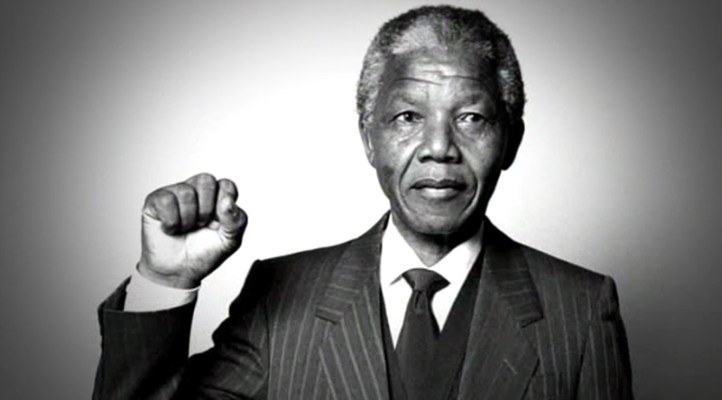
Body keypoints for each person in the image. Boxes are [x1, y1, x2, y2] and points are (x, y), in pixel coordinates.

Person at [94, 5, 633, 400]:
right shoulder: (279, 296)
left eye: (471, 117)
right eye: (408, 117)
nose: (440, 147)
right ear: (369, 139)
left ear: (510, 142)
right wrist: (163, 280)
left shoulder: (582, 310)